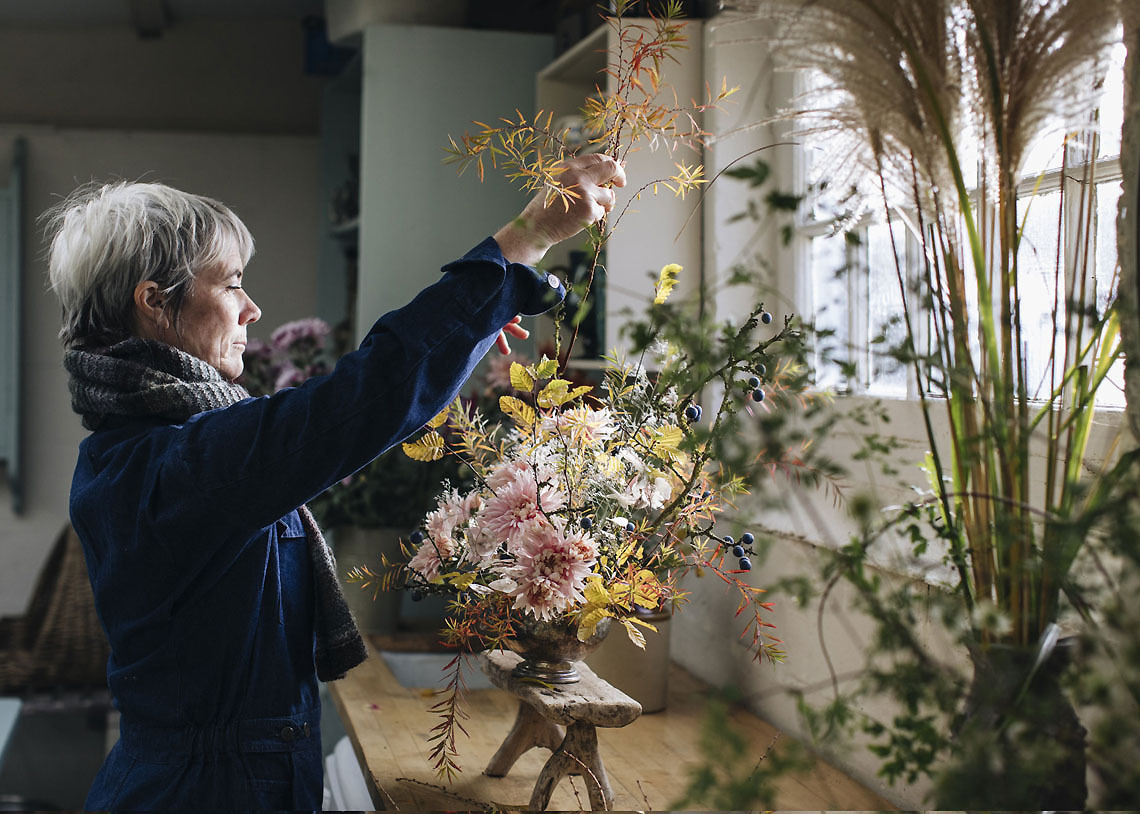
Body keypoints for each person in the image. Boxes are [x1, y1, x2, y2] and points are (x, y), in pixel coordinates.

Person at [45, 153, 626, 810]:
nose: (252, 309)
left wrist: (468, 330)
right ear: (154, 304)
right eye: (232, 284)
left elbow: (363, 411)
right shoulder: (176, 468)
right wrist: (528, 237)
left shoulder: (150, 450)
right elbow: (362, 401)